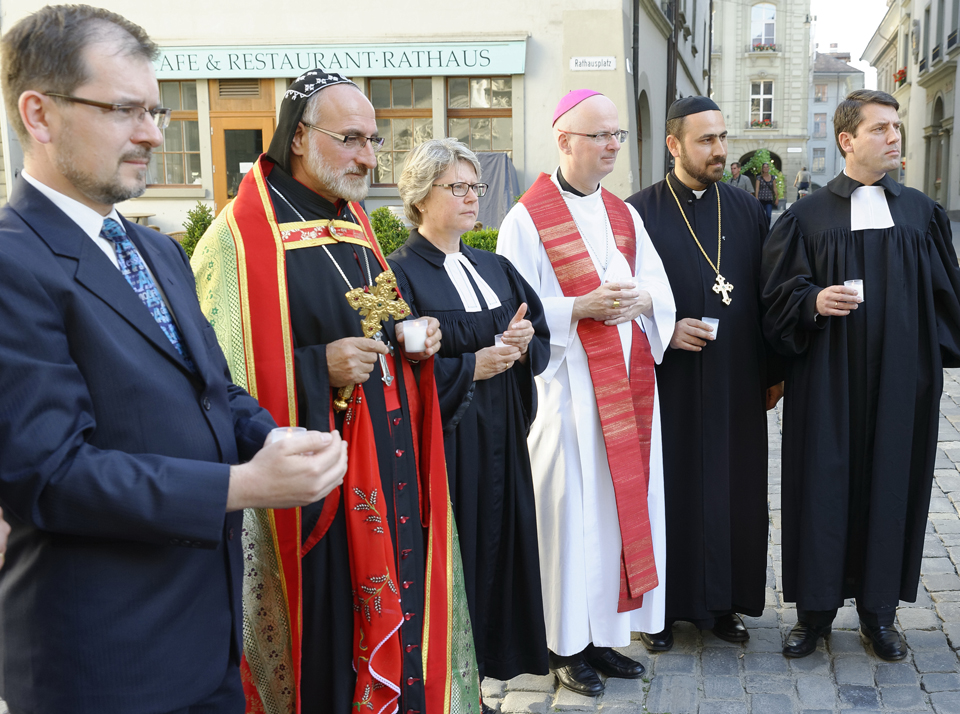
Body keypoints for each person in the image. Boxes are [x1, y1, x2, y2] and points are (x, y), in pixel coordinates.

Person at [0, 7, 347, 714]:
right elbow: (51, 476)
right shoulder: (12, 261)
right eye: (125, 110)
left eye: (156, 110)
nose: (154, 134)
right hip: (104, 662)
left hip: (206, 643)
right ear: (38, 114)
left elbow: (214, 388)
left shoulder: (154, 250)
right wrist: (245, 484)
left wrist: (271, 435)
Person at [192, 70, 479, 714]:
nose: (368, 157)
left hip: (387, 460)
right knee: (326, 638)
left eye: (374, 141)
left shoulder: (353, 219)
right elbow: (214, 377)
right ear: (299, 137)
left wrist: (414, 332)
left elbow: (377, 312)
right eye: (351, 139)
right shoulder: (236, 239)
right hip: (316, 484)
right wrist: (315, 367)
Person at [762, 89, 960, 661]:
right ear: (847, 140)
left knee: (893, 485)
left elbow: (947, 298)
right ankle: (815, 614)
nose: (894, 137)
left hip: (902, 381)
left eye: (896, 128)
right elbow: (775, 298)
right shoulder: (805, 216)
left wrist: (925, 362)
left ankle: (880, 614)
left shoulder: (922, 213)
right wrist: (811, 302)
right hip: (826, 380)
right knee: (821, 486)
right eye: (880, 129)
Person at [497, 89, 676, 696]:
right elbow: (512, 307)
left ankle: (604, 636)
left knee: (618, 512)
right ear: (564, 138)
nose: (612, 146)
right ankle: (563, 644)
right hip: (567, 395)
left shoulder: (625, 215)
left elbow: (657, 285)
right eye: (600, 135)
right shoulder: (527, 216)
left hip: (626, 390)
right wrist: (578, 307)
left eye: (618, 136)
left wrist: (642, 300)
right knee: (570, 520)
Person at [387, 138, 551, 695]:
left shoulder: (494, 266)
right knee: (459, 555)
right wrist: (468, 368)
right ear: (420, 195)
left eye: (474, 187)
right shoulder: (400, 275)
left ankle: (489, 674)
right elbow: (396, 368)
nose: (471, 197)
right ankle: (449, 682)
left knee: (503, 548)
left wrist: (525, 341)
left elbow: (537, 326)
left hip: (504, 435)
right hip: (450, 443)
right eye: (456, 187)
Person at [626, 96, 782, 652]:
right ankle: (660, 611)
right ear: (674, 146)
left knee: (733, 488)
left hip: (735, 376)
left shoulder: (745, 209)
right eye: (706, 141)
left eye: (722, 138)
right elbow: (620, 299)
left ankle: (723, 604)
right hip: (666, 378)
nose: (720, 151)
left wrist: (773, 370)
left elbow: (766, 297)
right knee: (668, 489)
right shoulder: (635, 213)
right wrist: (663, 330)